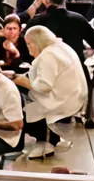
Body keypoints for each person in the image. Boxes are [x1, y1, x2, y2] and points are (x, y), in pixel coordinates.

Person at [16, 25, 87, 161]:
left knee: (20, 103)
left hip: (63, 100)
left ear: (38, 42)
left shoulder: (48, 56)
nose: (28, 47)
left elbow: (43, 87)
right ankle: (46, 138)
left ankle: (45, 140)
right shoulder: (60, 47)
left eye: (29, 43)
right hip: (74, 94)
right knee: (25, 96)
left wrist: (20, 80)